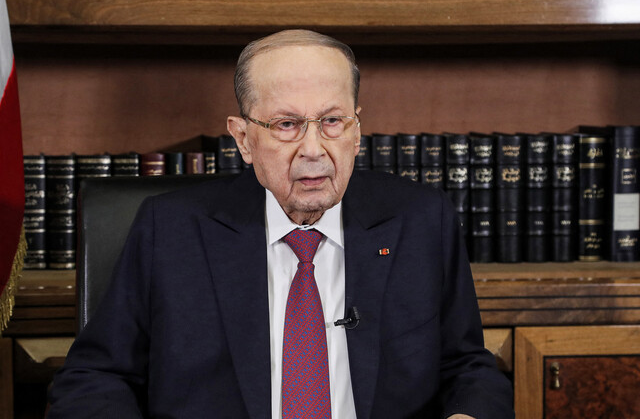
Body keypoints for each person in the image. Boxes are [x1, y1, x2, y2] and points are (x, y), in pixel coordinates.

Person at [47, 29, 513, 419]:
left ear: (356, 131)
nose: (313, 149)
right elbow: (93, 379)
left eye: (332, 121)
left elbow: (468, 368)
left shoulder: (420, 220)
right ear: (243, 139)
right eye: (287, 125)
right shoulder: (169, 231)